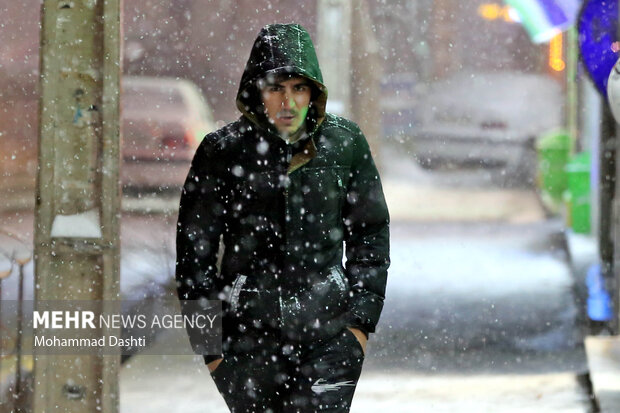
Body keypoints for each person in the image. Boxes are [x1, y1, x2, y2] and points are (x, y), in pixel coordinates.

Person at [176, 23, 390, 412]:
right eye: (276, 88)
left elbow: (370, 233)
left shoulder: (344, 144)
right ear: (258, 91)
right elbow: (195, 254)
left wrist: (358, 326)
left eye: (298, 88)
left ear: (314, 92)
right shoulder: (222, 151)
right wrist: (211, 349)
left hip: (329, 337)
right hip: (246, 344)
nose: (288, 102)